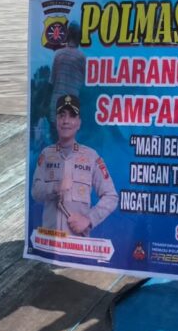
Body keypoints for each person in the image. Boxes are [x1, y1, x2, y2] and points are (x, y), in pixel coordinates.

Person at [31, 94, 118, 236]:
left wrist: (89, 219)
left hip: (77, 245)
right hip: (49, 241)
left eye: (72, 116)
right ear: (56, 121)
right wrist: (55, 187)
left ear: (79, 123)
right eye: (62, 115)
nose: (66, 121)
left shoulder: (91, 157)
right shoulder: (46, 154)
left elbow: (111, 196)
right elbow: (35, 192)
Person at [49, 22, 85, 126]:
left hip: (56, 105)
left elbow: (51, 83)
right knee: (69, 134)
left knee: (55, 134)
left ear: (67, 36)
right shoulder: (82, 57)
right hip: (72, 107)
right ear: (79, 37)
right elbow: (85, 86)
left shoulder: (58, 54)